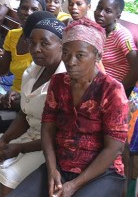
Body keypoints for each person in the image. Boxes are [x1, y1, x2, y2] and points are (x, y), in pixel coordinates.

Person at [9, 18, 129, 197]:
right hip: (61, 166)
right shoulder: (58, 82)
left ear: (98, 56)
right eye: (65, 53)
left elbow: (113, 148)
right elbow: (47, 128)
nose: (70, 61)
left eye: (80, 55)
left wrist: (74, 185)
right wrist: (52, 171)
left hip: (102, 173)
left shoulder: (112, 90)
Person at [0, 18, 66, 196]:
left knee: (10, 178)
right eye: (32, 42)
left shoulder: (66, 80)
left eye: (45, 43)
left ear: (62, 45)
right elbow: (23, 114)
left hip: (49, 146)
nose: (36, 49)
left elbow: (58, 136)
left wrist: (19, 148)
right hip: (28, 135)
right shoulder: (33, 70)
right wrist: (5, 139)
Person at [94, 0, 138, 96]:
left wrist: (117, 89)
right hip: (102, 85)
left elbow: (136, 66)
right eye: (99, 8)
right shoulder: (100, 31)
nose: (100, 13)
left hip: (115, 92)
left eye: (107, 11)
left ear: (117, 16)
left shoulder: (121, 35)